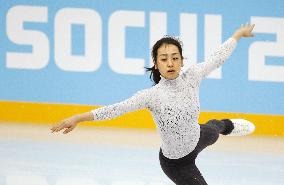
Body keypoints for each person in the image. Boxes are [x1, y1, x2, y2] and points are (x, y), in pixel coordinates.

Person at [51, 23, 256, 185]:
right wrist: (78, 118)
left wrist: (237, 35)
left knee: (215, 128)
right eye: (164, 59)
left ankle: (228, 125)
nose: (170, 63)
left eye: (175, 58)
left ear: (182, 61)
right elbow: (115, 109)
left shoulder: (192, 76)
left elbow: (216, 58)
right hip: (176, 163)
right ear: (156, 64)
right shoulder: (152, 96)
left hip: (198, 136)